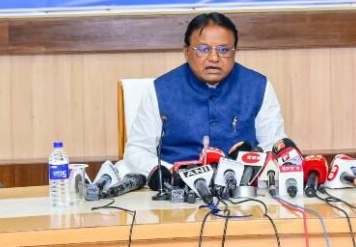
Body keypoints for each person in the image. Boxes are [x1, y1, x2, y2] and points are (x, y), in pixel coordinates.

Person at [123, 12, 286, 175]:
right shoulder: (159, 89)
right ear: (186, 51)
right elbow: (137, 150)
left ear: (235, 52)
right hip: (175, 184)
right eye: (203, 49)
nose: (214, 58)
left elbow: (274, 145)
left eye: (224, 50)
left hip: (241, 183)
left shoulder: (258, 86)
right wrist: (167, 172)